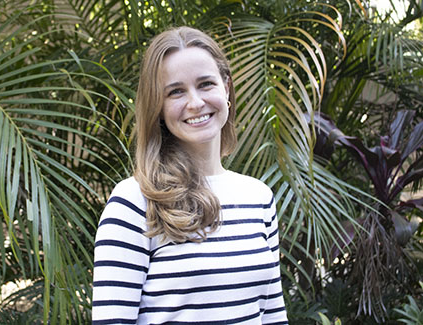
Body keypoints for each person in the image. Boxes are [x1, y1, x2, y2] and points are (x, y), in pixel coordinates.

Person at [91, 26, 288, 324]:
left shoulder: (259, 197)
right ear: (158, 107)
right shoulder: (134, 201)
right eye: (176, 91)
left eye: (206, 84)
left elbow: (273, 315)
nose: (195, 102)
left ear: (226, 89)